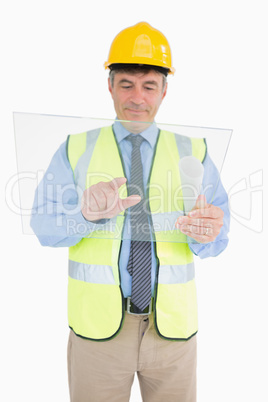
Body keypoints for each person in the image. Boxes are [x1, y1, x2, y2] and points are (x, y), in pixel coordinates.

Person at [31, 22, 230, 402]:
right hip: (98, 333)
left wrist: (208, 234)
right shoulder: (75, 150)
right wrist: (85, 215)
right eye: (126, 84)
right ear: (109, 86)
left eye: (149, 85)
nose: (137, 97)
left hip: (172, 331)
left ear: (164, 91)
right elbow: (42, 227)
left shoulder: (195, 151)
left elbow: (218, 239)